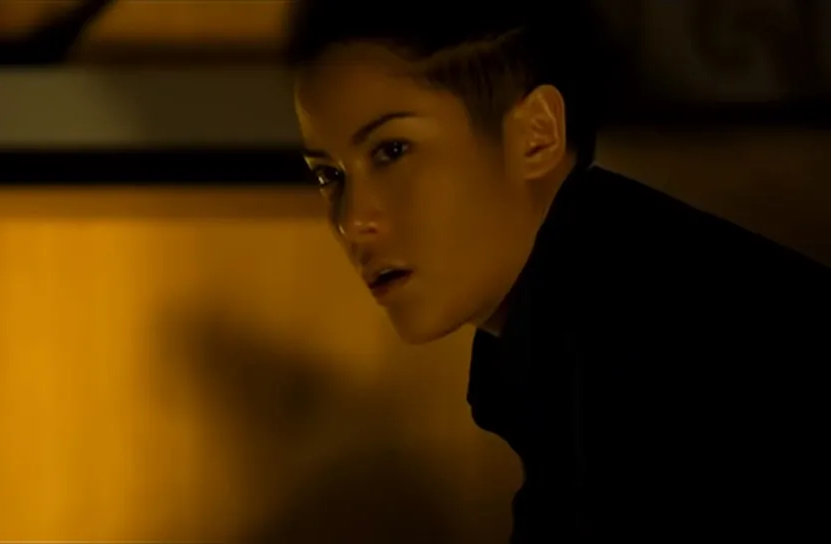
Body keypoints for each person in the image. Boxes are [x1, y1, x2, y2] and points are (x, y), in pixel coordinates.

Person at [284, 0, 831, 541]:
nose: (352, 221)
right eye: (329, 175)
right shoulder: (581, 326)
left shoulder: (659, 346)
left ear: (536, 134)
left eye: (392, 150)